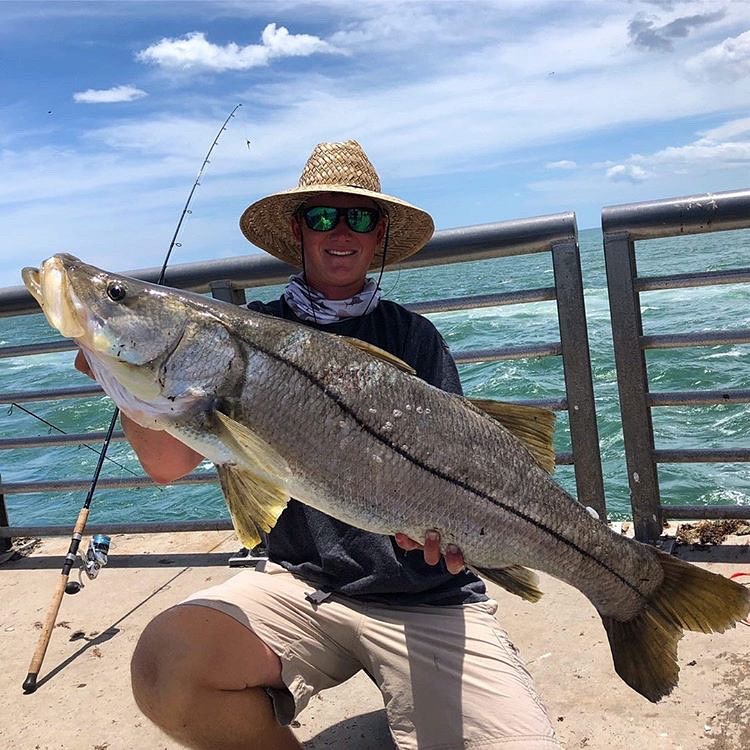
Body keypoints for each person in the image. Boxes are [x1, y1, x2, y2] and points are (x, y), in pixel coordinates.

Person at [77, 140, 559, 749]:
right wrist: (120, 371)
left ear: (379, 233)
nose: (341, 231)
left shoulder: (415, 338)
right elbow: (168, 464)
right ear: (298, 231)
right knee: (166, 666)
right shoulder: (242, 337)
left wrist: (458, 540)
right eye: (323, 216)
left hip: (427, 596)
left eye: (359, 217)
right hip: (299, 584)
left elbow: (469, 463)